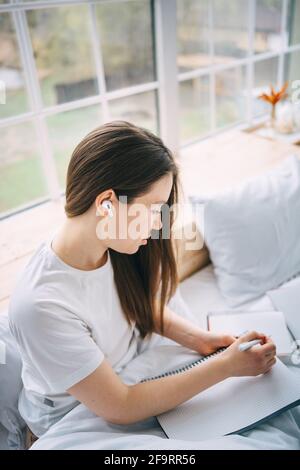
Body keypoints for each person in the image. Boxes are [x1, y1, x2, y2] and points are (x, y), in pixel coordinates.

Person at [8, 121, 276, 438]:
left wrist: (199, 340)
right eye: (152, 209)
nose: (156, 224)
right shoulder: (42, 305)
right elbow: (120, 406)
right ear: (106, 203)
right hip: (77, 416)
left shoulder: (108, 244)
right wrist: (226, 367)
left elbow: (132, 305)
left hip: (131, 371)